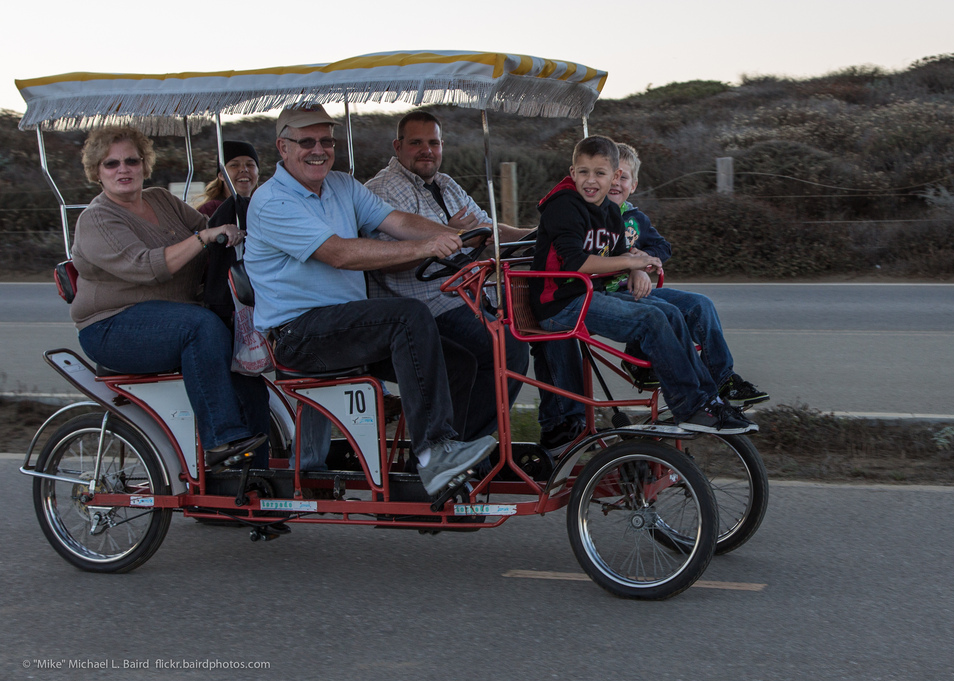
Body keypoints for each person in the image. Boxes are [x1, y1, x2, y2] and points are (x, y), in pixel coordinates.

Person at [244, 103, 494, 495]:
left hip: (344, 326)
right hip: (298, 334)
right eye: (306, 141)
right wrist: (426, 247)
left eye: (326, 141)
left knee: (460, 361)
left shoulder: (342, 185)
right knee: (408, 316)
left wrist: (455, 237)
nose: (318, 149)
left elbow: (398, 222)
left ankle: (425, 479)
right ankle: (436, 453)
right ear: (283, 147)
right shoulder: (272, 201)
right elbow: (341, 254)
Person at [528, 135, 755, 435]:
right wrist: (630, 263)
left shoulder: (610, 212)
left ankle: (707, 399)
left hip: (587, 294)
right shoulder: (564, 206)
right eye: (583, 172)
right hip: (559, 304)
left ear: (615, 177)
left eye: (600, 173)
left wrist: (638, 265)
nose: (590, 181)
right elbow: (575, 262)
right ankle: (690, 406)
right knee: (650, 320)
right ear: (572, 173)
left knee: (670, 313)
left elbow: (624, 253)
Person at [70, 126, 266, 469]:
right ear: (96, 172)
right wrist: (206, 236)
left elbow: (211, 237)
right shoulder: (96, 219)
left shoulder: (160, 198)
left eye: (132, 160)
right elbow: (148, 266)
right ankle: (221, 439)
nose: (123, 169)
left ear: (145, 164)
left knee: (246, 366)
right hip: (112, 326)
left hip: (174, 318)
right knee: (202, 326)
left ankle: (255, 488)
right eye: (111, 163)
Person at [364, 110, 531, 440]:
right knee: (507, 350)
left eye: (433, 142)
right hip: (421, 308)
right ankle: (462, 449)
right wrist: (439, 241)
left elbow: (487, 231)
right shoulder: (381, 190)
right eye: (416, 143)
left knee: (541, 323)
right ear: (397, 147)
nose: (427, 150)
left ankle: (557, 427)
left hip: (464, 297)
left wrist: (541, 233)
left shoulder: (446, 184)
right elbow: (379, 259)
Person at [610, 143, 769, 407]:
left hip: (633, 288)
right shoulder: (593, 216)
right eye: (611, 176)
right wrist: (633, 266)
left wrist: (643, 261)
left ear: (634, 185)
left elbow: (663, 247)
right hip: (606, 291)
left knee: (700, 304)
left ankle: (722, 378)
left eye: (623, 177)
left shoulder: (636, 219)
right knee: (657, 308)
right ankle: (640, 363)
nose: (616, 183)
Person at [193, 140, 261, 217]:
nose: (244, 169)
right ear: (222, 175)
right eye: (234, 165)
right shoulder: (211, 209)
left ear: (258, 174)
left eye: (250, 164)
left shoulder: (265, 208)